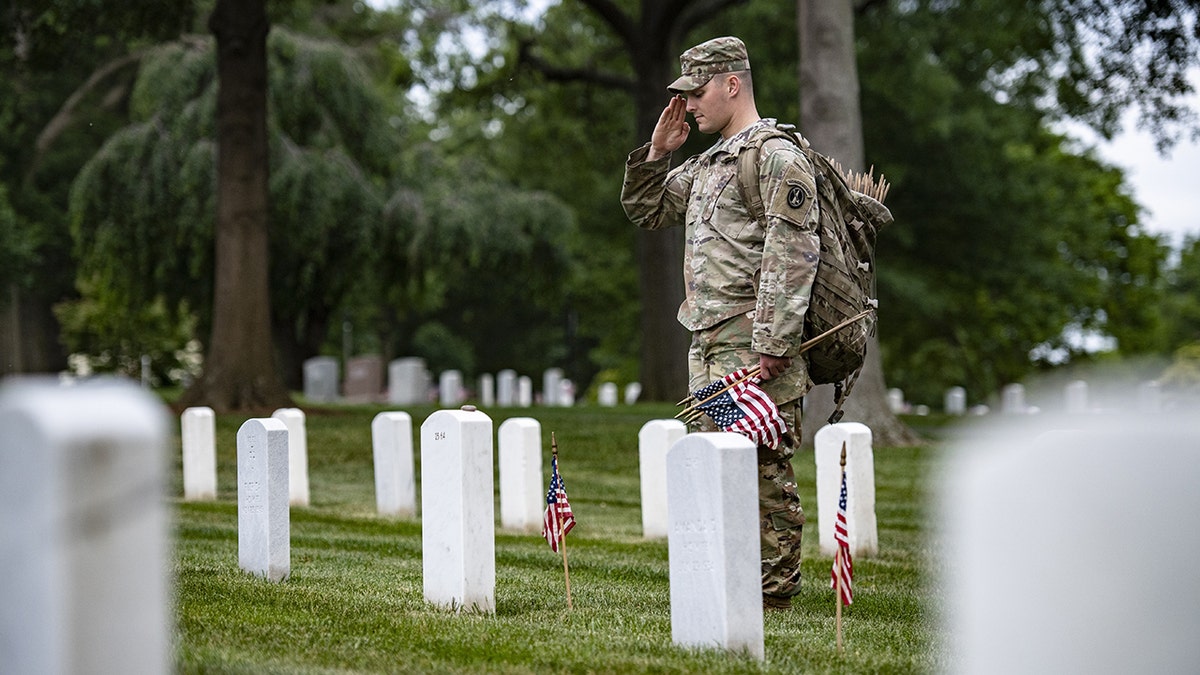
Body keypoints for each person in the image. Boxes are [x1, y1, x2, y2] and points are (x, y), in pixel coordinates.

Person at [620, 36, 818, 610]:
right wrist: (658, 153)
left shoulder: (776, 157)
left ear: (733, 84)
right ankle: (730, 583)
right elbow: (648, 211)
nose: (688, 105)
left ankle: (773, 593)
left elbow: (793, 252)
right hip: (707, 341)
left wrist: (775, 341)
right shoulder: (708, 164)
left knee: (761, 464)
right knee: (712, 459)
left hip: (753, 342)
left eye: (697, 91)